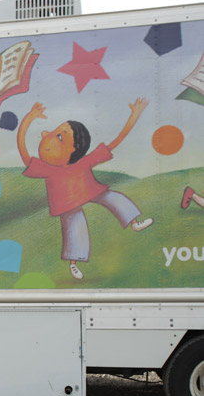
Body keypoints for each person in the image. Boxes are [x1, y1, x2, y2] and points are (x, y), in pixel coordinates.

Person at [17, 98, 153, 280]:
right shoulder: (47, 168)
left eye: (59, 136)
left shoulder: (83, 161)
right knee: (75, 225)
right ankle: (74, 264)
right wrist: (28, 119)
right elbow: (24, 153)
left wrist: (133, 117)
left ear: (73, 149)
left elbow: (114, 142)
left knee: (113, 198)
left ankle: (135, 223)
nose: (45, 133)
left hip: (91, 190)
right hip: (68, 203)